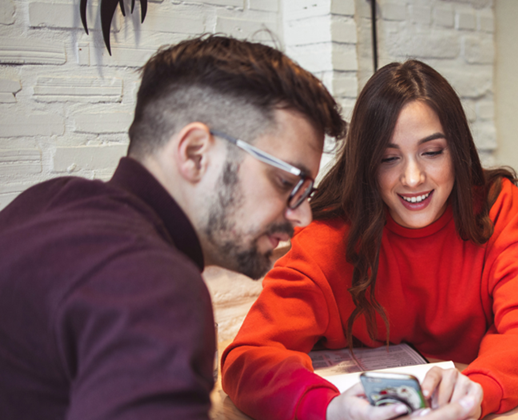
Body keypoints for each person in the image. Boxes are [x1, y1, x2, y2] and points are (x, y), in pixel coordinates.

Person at [0, 35, 345, 419]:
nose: (303, 217)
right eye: (285, 183)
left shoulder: (47, 200)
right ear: (196, 153)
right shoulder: (153, 288)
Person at [221, 60, 518, 420]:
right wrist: (331, 409)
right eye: (389, 158)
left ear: (456, 151)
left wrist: (476, 392)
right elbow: (248, 359)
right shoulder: (328, 238)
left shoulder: (495, 207)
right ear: (366, 164)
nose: (412, 178)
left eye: (432, 152)